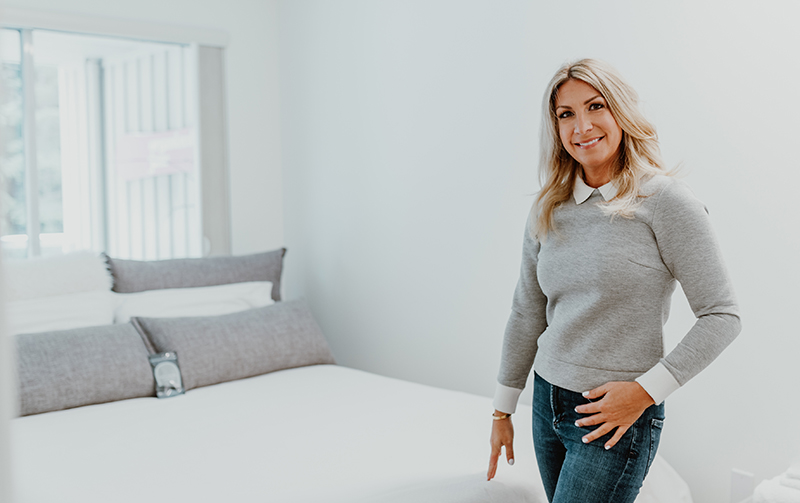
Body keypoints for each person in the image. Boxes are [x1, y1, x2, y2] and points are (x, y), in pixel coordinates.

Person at [485, 58, 741, 502]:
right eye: (566, 114)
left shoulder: (665, 201)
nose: (581, 126)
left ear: (620, 112)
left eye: (595, 106)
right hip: (546, 404)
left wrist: (645, 392)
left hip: (613, 416)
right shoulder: (550, 206)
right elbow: (527, 311)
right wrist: (501, 410)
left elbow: (722, 315)